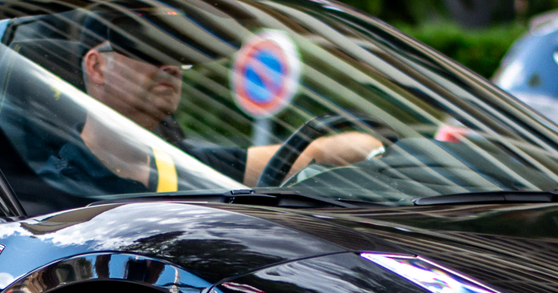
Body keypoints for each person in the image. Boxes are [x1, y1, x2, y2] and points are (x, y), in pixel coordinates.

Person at [35, 14, 384, 196]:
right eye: (147, 51)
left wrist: (389, 151)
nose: (170, 65)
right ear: (96, 66)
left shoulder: (190, 166)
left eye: (177, 54)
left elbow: (316, 153)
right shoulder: (55, 182)